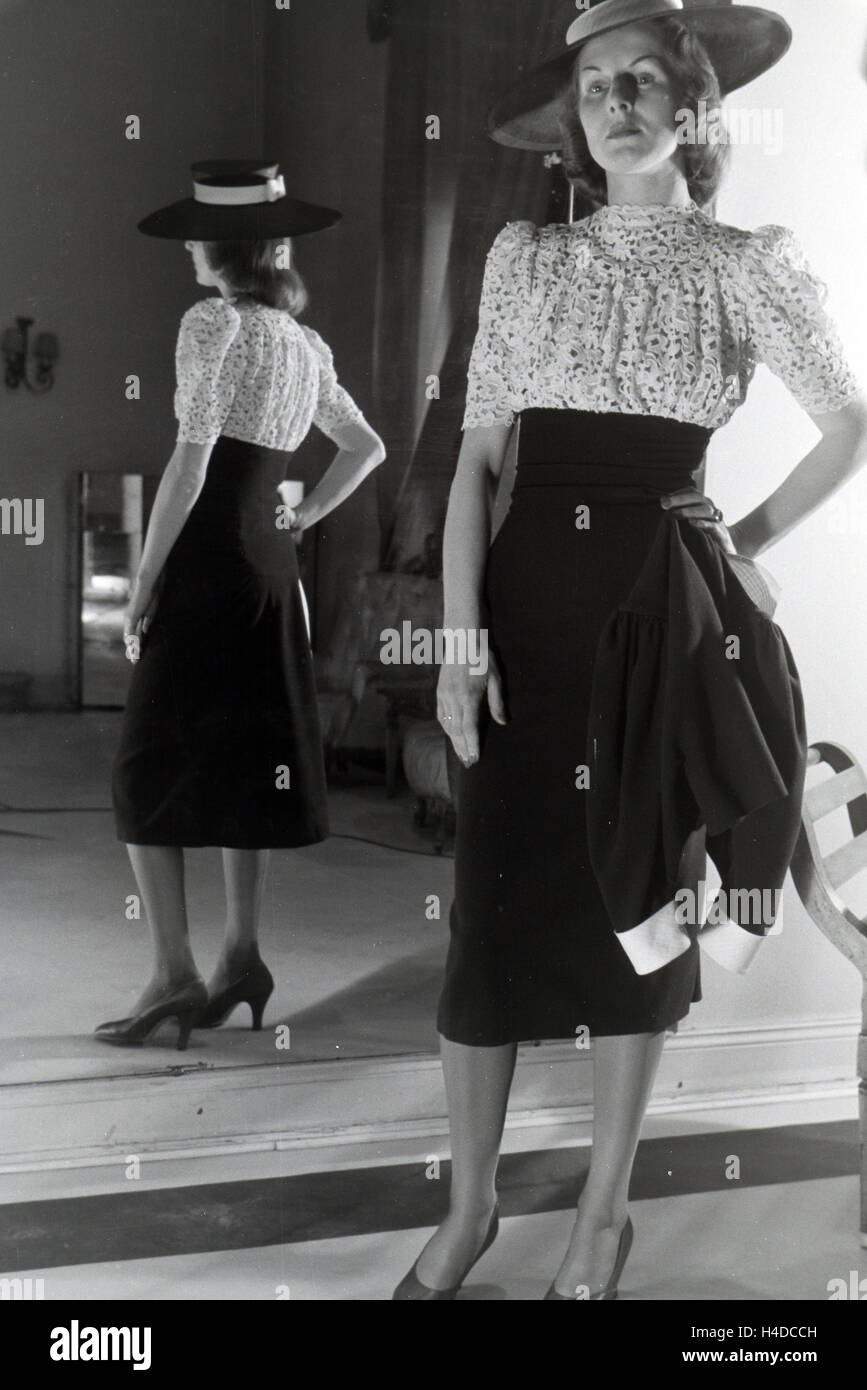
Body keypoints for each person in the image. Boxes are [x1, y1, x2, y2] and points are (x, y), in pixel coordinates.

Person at [393, 0, 866, 1300]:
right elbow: (475, 463)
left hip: (664, 627)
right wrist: (454, 637)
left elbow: (847, 419)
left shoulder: (743, 261)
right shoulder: (523, 259)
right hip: (526, 613)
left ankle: (602, 1219)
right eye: (593, 80)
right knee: (488, 911)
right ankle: (471, 1204)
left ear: (694, 107)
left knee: (635, 921)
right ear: (570, 115)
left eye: (641, 77)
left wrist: (741, 540)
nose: (613, 98)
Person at [96, 160, 385, 1050]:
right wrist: (299, 515)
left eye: (194, 233)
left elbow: (189, 463)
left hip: (208, 562)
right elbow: (365, 447)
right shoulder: (304, 344)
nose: (186, 244)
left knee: (146, 767)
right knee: (247, 761)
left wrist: (141, 585)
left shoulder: (211, 321)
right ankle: (242, 959)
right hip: (269, 568)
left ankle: (174, 973)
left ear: (219, 248)